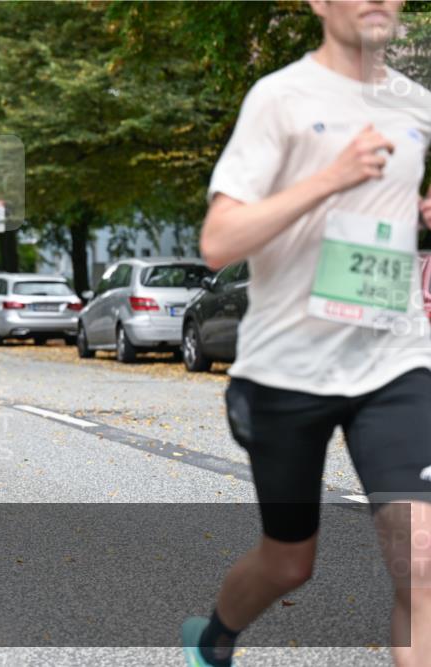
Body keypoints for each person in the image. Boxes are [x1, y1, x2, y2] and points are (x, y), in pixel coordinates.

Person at [182, 3, 431, 666]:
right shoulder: (280, 99)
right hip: (287, 367)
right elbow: (217, 241)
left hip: (394, 357)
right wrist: (332, 176)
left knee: (422, 556)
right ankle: (214, 639)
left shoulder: (415, 105)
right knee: (290, 561)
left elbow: (391, 209)